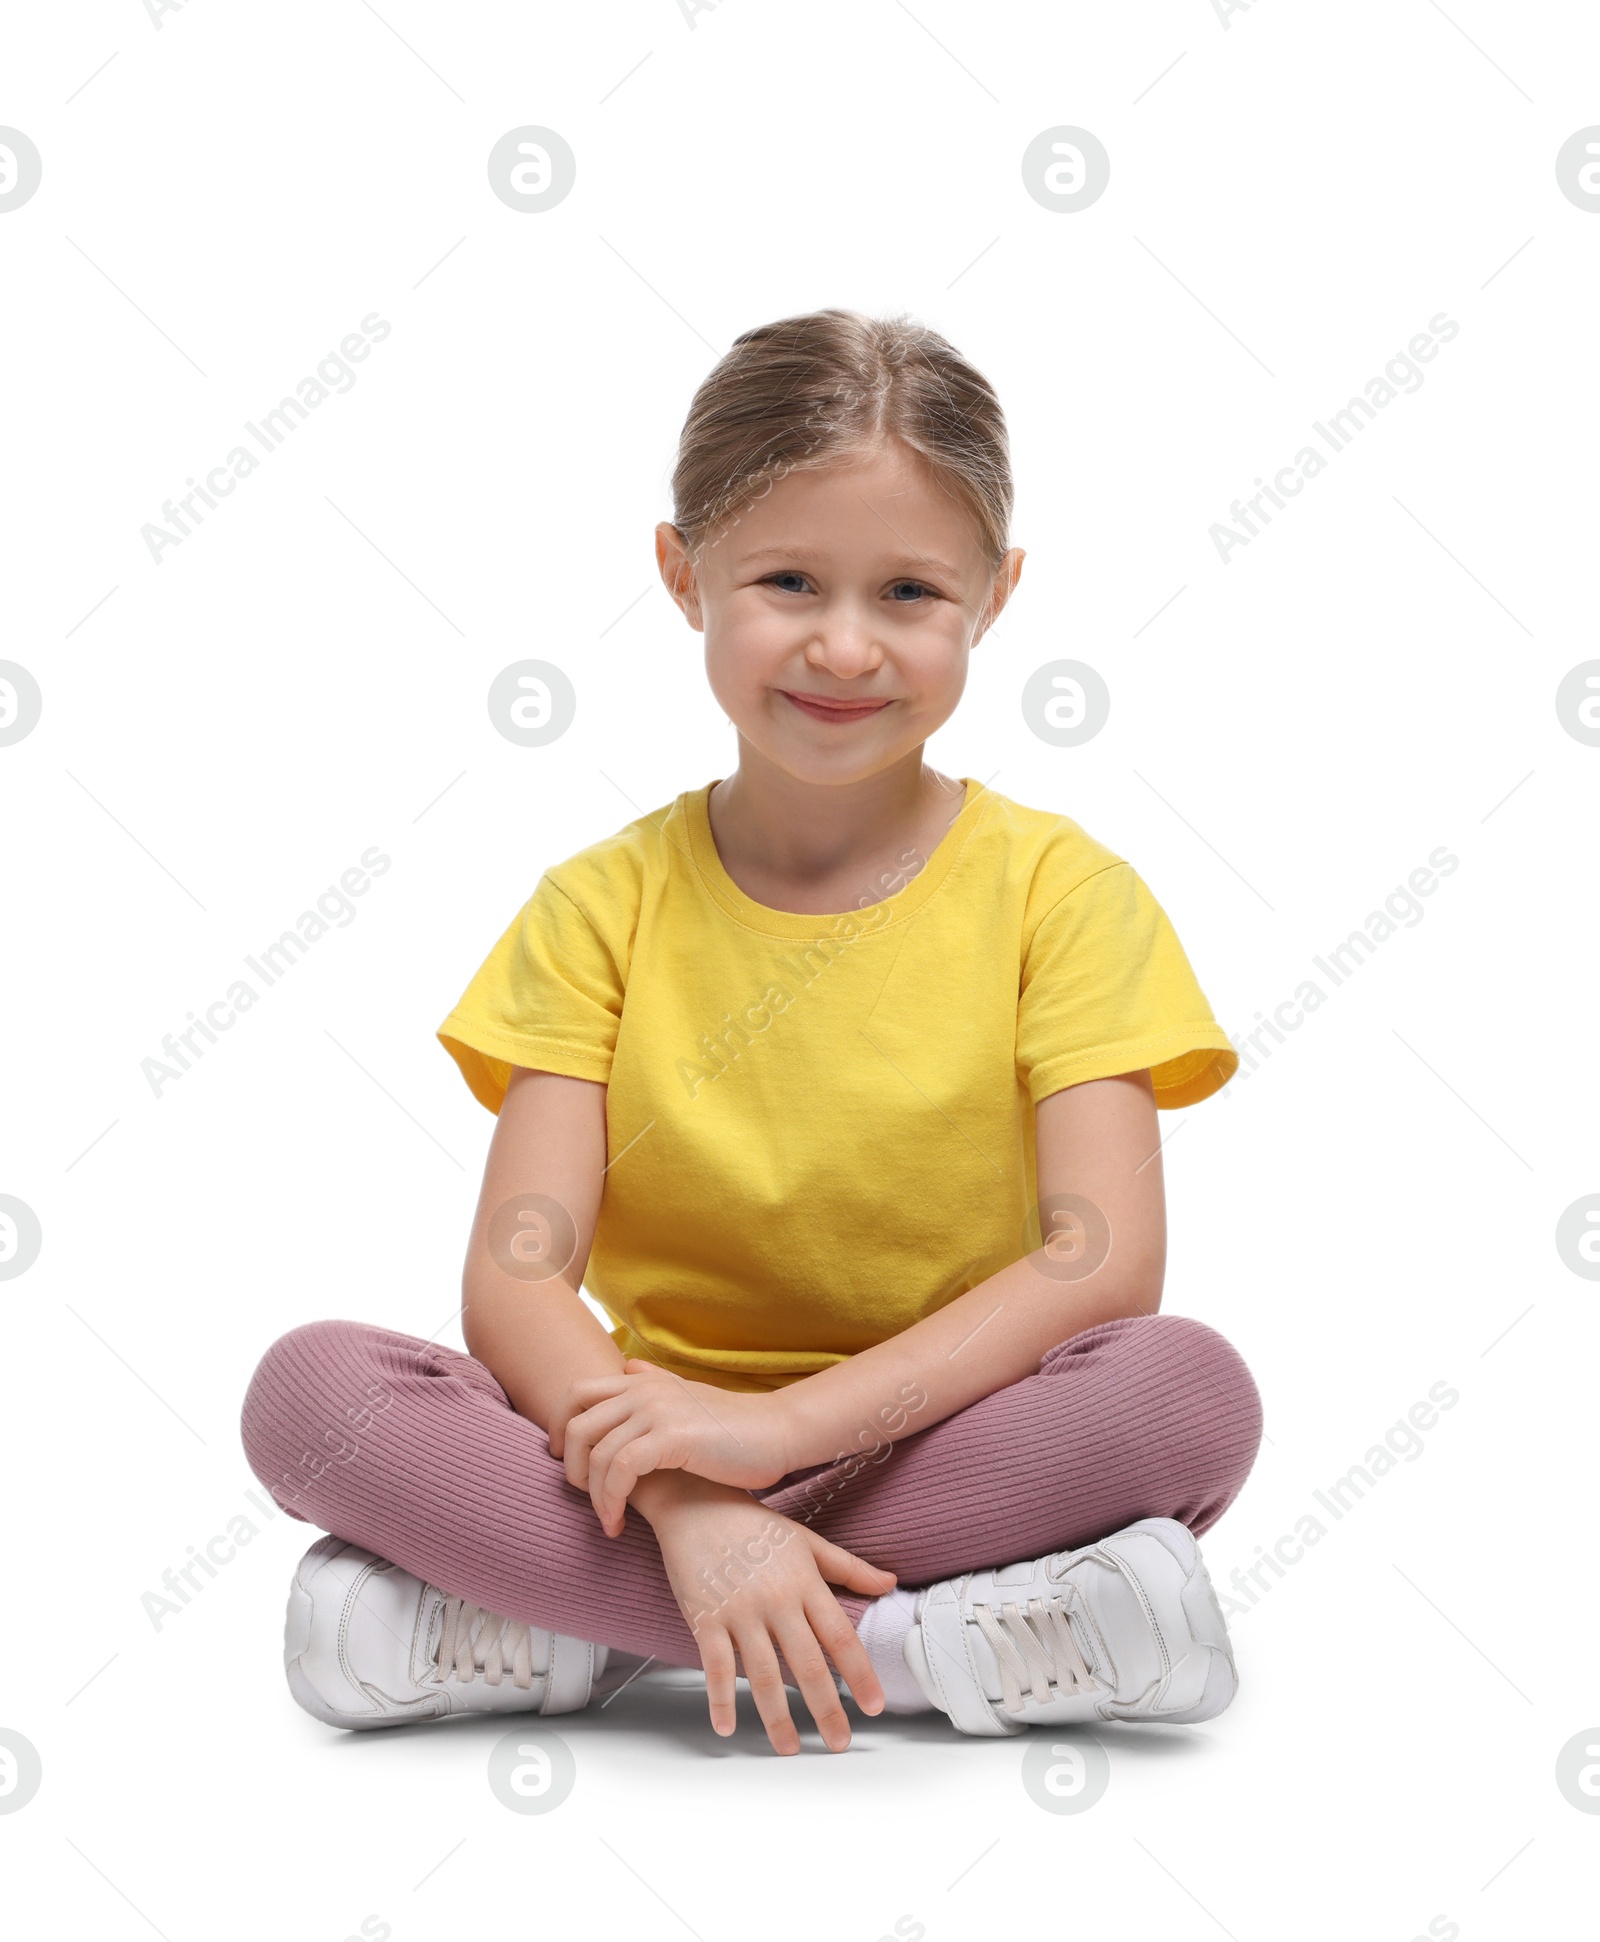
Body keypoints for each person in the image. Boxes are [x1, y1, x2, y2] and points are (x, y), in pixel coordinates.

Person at [241, 307, 1263, 1756]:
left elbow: (1102, 1266)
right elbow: (520, 1282)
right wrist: (688, 1500)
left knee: (1186, 1391)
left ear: (996, 596)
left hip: (948, 1428)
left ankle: (569, 1627)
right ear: (682, 572)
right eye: (788, 579)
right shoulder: (601, 906)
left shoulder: (1064, 895)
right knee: (313, 1394)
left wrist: (776, 1443)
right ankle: (911, 1644)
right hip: (636, 1448)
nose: (845, 644)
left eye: (909, 591)